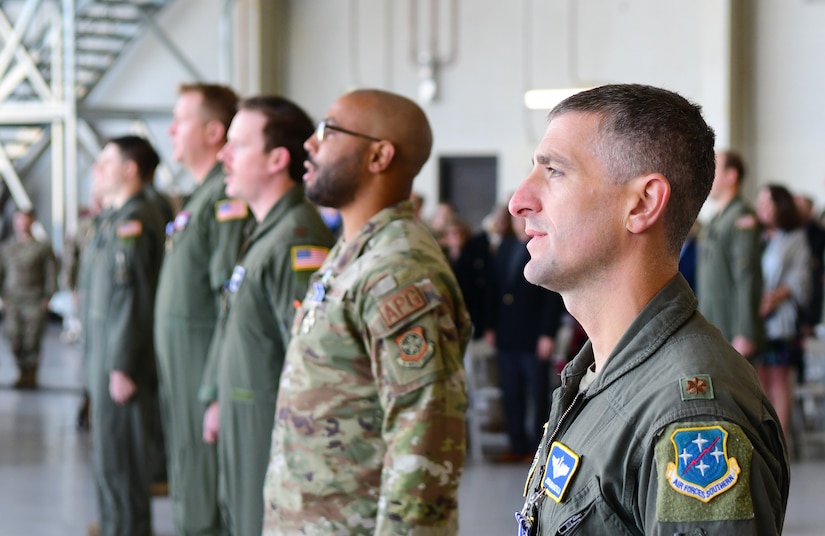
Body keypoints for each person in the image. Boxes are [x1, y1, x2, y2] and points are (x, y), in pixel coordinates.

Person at [512, 84, 788, 535]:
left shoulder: (691, 415)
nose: (519, 200)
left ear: (642, 204)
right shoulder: (600, 372)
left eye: (555, 171)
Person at [262, 89, 472, 535]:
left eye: (330, 130)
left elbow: (426, 435)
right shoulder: (354, 254)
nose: (311, 144)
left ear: (379, 156)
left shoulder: (399, 269)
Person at [197, 96, 335, 536]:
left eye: (237, 145)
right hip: (247, 420)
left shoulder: (296, 238)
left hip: (271, 434)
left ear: (277, 159)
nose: (223, 155)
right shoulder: (268, 231)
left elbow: (309, 360)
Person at [153, 83, 249, 536]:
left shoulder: (224, 200)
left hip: (201, 373)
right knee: (189, 483)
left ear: (214, 132)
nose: (170, 129)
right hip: (184, 371)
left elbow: (228, 301)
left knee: (205, 496)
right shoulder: (201, 196)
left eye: (182, 119)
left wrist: (211, 388)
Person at [81, 136, 166, 536]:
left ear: (130, 169)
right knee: (109, 462)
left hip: (120, 364)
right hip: (104, 358)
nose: (97, 170)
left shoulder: (138, 220)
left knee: (125, 467)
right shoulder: (114, 218)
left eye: (106, 162)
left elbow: (134, 297)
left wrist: (122, 364)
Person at [484, 213, 565, 463]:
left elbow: (552, 294)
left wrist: (547, 334)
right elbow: (495, 289)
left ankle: (537, 448)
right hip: (507, 335)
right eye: (516, 219)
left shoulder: (543, 246)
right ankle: (516, 445)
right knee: (511, 392)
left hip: (534, 336)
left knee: (538, 393)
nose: (520, 221)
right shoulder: (505, 247)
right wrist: (490, 326)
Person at [755, 184, 811, 439]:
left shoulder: (794, 238)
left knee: (778, 380)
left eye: (768, 202)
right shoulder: (757, 235)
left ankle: (780, 444)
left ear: (781, 206)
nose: (761, 207)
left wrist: (772, 298)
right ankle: (764, 443)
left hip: (779, 320)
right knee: (758, 380)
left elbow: (801, 279)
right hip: (755, 319)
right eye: (760, 202)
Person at [697, 150, 764, 359]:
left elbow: (746, 276)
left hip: (732, 327)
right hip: (713, 322)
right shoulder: (717, 219)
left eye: (714, 170)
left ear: (731, 176)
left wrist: (745, 331)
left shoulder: (741, 217)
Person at [0, 209, 57, 389]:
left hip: (34, 299)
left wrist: (49, 296)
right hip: (13, 300)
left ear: (32, 221)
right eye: (19, 220)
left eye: (26, 220)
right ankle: (22, 371)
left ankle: (29, 375)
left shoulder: (42, 247)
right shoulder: (7, 248)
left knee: (32, 339)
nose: (22, 224)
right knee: (13, 336)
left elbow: (51, 272)